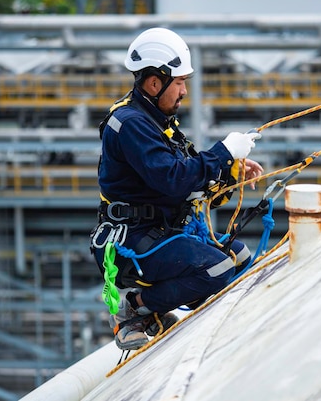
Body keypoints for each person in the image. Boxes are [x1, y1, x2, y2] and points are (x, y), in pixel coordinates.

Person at [90, 27, 263, 350]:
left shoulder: (155, 122)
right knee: (218, 266)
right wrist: (224, 152)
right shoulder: (131, 124)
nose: (184, 91)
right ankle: (135, 308)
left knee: (238, 256)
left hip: (157, 232)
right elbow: (174, 178)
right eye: (180, 82)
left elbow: (190, 176)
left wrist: (231, 170)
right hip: (133, 239)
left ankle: (154, 308)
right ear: (155, 83)